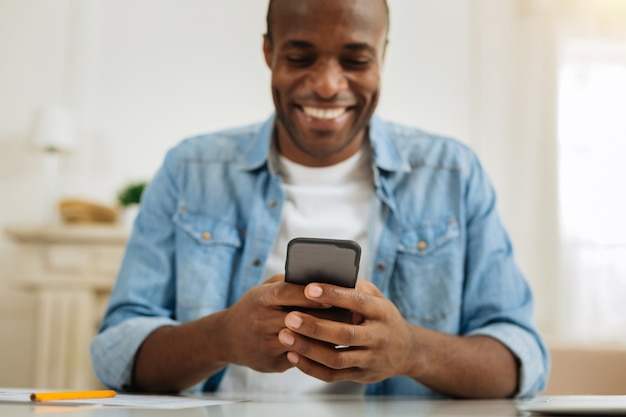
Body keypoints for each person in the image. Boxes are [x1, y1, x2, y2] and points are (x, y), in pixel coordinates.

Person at [91, 0, 549, 398]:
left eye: (355, 60)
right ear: (268, 52)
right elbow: (116, 352)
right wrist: (223, 337)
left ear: (382, 55)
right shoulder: (190, 169)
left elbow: (520, 359)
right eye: (300, 56)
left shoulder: (453, 174)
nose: (328, 84)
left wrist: (411, 351)